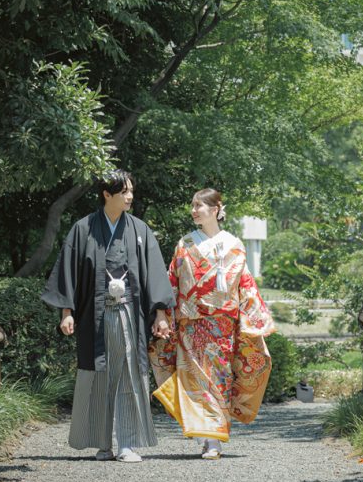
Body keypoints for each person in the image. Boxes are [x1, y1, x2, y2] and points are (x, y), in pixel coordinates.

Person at [41, 170, 174, 462]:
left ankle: (127, 443)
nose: (129, 197)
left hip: (129, 311)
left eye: (131, 191)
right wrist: (67, 311)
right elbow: (69, 272)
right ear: (106, 194)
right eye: (124, 191)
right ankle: (103, 444)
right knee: (99, 374)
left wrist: (160, 314)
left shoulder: (140, 230)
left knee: (128, 372)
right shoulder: (83, 228)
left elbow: (154, 273)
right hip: (96, 316)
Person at [150, 188, 275, 459]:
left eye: (200, 206)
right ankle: (207, 436)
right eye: (193, 206)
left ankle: (214, 438)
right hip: (190, 324)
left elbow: (245, 284)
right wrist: (162, 314)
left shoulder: (234, 244)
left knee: (218, 379)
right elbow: (172, 281)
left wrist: (255, 318)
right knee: (193, 379)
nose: (194, 211)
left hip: (221, 325)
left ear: (217, 209)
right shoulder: (185, 244)